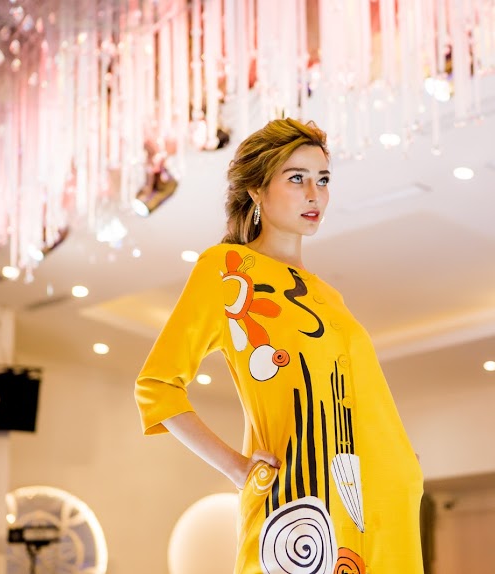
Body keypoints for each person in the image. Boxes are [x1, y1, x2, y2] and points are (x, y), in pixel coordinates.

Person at [135, 118, 424, 573]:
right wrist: (236, 467)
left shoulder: (328, 295)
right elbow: (156, 385)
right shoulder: (227, 270)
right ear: (256, 190)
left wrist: (402, 462)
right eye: (297, 178)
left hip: (380, 497)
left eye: (323, 180)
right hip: (299, 501)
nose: (315, 194)